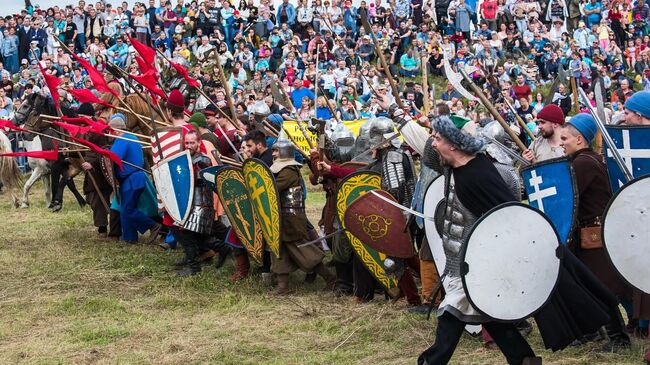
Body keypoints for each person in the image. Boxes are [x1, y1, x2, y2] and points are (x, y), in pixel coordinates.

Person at [416, 115, 539, 365]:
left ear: (455, 143)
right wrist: (405, 114)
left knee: (451, 313)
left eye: (438, 139)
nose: (433, 143)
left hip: (475, 261)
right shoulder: (452, 166)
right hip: (458, 258)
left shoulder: (484, 172)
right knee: (489, 317)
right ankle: (524, 360)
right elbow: (428, 155)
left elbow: (507, 217)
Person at [560, 113, 632, 351]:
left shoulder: (583, 163)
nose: (561, 142)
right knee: (587, 285)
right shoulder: (589, 159)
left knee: (601, 287)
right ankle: (592, 330)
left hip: (594, 232)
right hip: (591, 231)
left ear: (579, 139)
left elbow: (569, 198)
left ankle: (619, 338)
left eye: (565, 138)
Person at [268, 130, 335, 295]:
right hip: (280, 217)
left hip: (291, 218)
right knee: (279, 250)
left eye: (276, 150)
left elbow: (273, 189)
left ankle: (330, 278)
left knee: (303, 251)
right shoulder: (279, 170)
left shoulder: (288, 171)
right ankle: (282, 286)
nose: (274, 153)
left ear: (284, 152)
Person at [109, 114, 162, 244]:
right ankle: (130, 237)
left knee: (128, 209)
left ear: (115, 130)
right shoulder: (133, 137)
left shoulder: (121, 139)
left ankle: (153, 225)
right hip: (137, 178)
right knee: (126, 208)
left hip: (131, 179)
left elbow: (113, 158)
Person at [169, 130, 215, 276]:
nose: (189, 145)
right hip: (189, 202)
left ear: (199, 143)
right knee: (196, 235)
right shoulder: (186, 158)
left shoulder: (203, 160)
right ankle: (219, 250)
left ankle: (194, 266)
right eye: (187, 143)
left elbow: (197, 181)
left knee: (188, 233)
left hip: (200, 202)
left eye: (192, 142)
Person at [79, 104, 113, 238]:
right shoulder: (86, 130)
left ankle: (102, 229)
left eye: (81, 117)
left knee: (98, 199)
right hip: (91, 169)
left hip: (99, 171)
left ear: (88, 116)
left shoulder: (98, 131)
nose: (79, 119)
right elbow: (84, 151)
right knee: (92, 198)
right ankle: (102, 226)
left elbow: (104, 152)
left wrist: (92, 165)